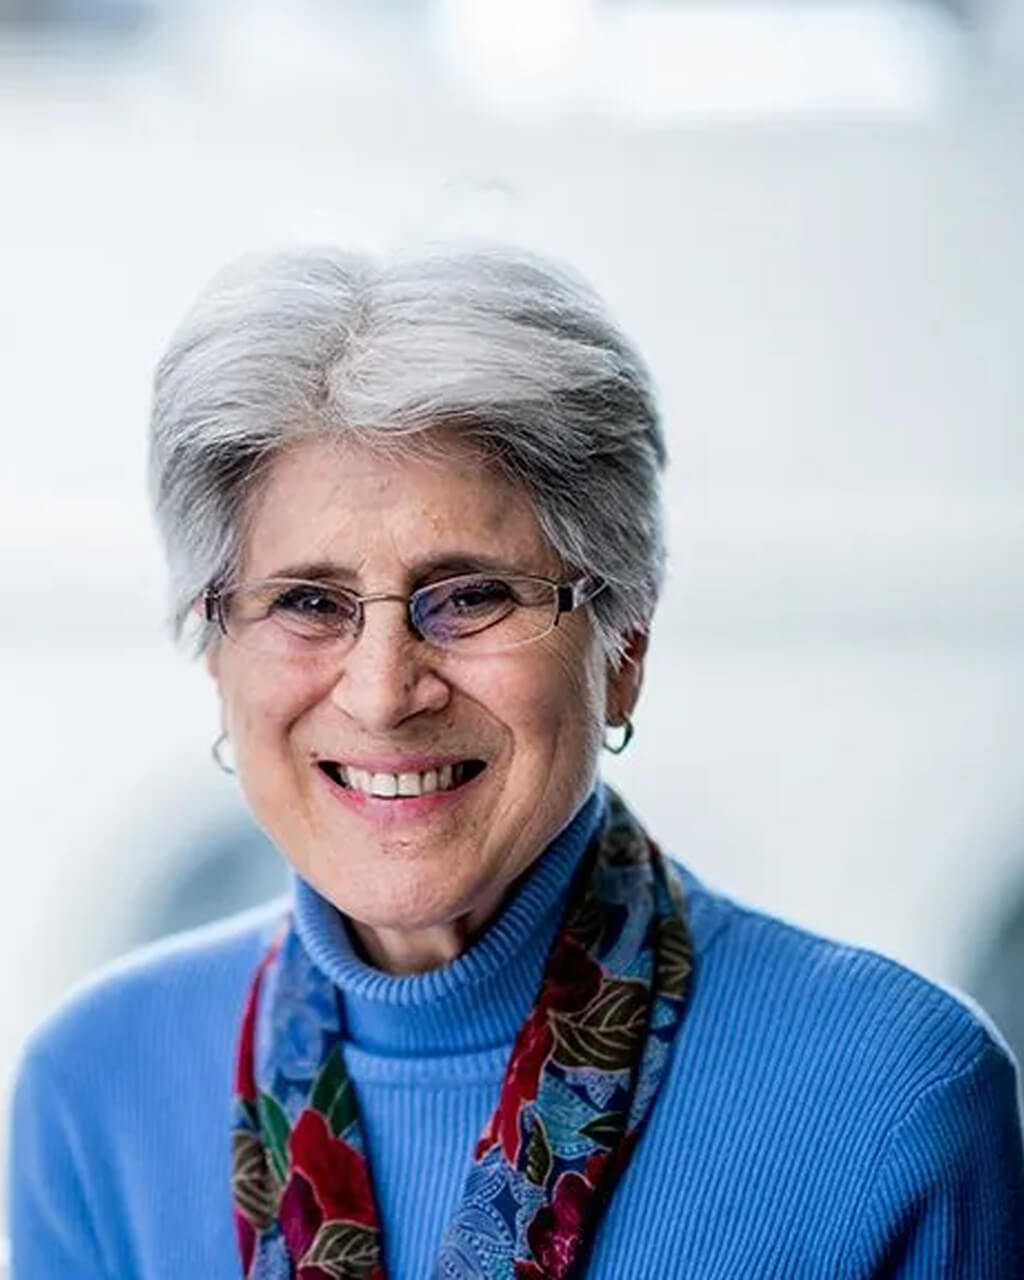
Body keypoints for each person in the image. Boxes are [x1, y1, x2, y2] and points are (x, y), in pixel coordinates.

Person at [7, 245, 1024, 1279]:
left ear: (622, 647)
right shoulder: (96, 1088)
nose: (382, 689)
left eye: (470, 594)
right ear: (216, 651)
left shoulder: (893, 1091)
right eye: (307, 601)